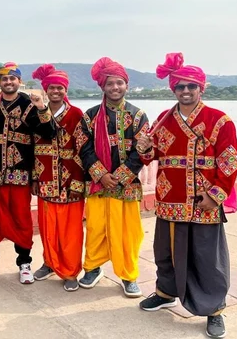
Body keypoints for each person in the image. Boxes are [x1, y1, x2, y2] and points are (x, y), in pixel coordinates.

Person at [137, 53, 237, 339]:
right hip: (169, 199)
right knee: (166, 252)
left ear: (200, 88)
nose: (185, 91)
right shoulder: (163, 120)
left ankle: (214, 309)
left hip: (203, 201)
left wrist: (215, 195)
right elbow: (150, 156)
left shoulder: (219, 120)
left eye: (191, 86)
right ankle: (165, 292)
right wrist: (144, 146)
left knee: (206, 258)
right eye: (180, 86)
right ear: (173, 89)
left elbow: (230, 161)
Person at [77, 57, 149, 298]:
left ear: (126, 85)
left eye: (119, 83)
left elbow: (141, 151)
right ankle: (93, 268)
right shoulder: (90, 116)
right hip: (98, 184)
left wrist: (118, 177)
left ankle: (129, 275)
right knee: (96, 228)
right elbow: (83, 147)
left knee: (128, 233)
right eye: (110, 83)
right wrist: (101, 175)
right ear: (103, 87)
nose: (115, 87)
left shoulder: (138, 116)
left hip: (126, 186)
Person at [0, 62, 42, 284]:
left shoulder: (29, 104)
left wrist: (35, 176)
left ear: (19, 81)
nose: (8, 82)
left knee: (21, 217)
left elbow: (43, 135)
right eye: (4, 79)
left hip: (21, 172)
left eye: (12, 78)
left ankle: (24, 263)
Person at [30, 64, 85, 291]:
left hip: (70, 181)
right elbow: (33, 147)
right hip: (45, 179)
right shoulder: (35, 114)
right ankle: (49, 262)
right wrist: (34, 178)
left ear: (65, 90)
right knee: (48, 228)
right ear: (46, 90)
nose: (55, 91)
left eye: (60, 88)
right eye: (51, 87)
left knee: (70, 232)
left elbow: (83, 150)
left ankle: (71, 271)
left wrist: (79, 182)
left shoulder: (76, 114)